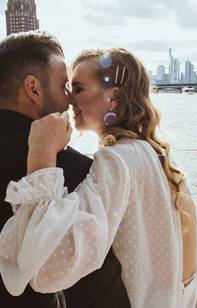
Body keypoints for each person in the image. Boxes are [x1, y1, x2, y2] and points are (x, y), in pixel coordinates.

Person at [0, 47, 197, 308]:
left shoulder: (116, 161)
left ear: (113, 97)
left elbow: (49, 269)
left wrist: (42, 156)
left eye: (78, 89)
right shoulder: (150, 152)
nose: (69, 100)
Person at [0, 33, 131, 308]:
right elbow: (100, 286)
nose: (71, 99)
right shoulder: (73, 169)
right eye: (64, 86)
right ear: (34, 89)